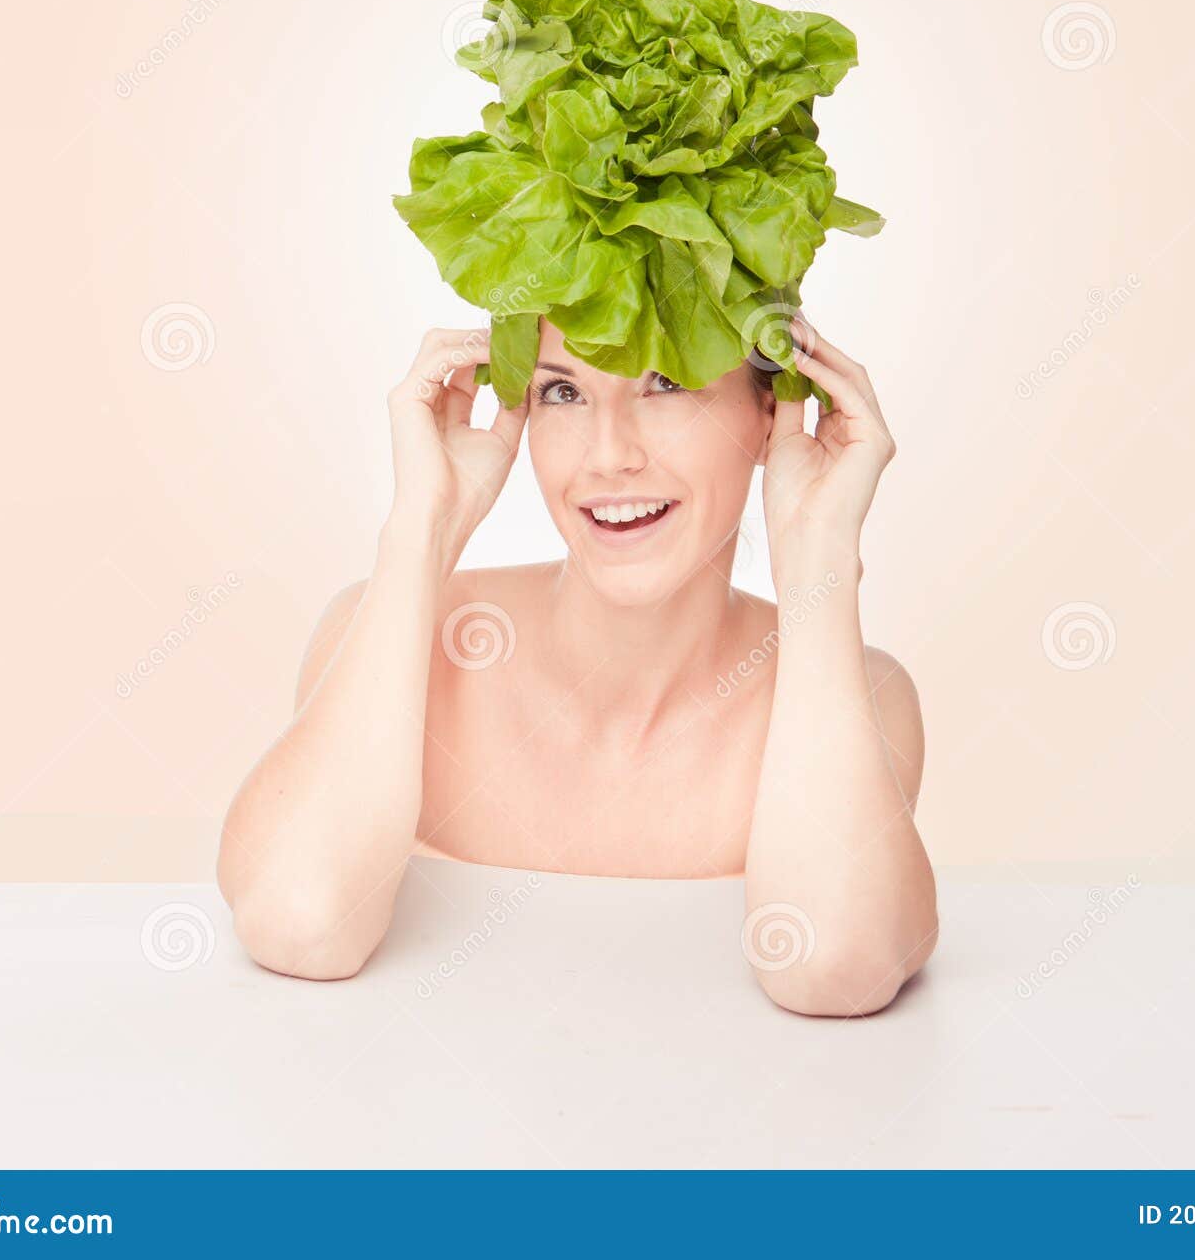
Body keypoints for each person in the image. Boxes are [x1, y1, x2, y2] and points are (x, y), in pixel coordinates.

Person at [217, 314, 937, 1016]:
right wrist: (420, 533)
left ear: (770, 409)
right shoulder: (387, 637)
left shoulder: (861, 695)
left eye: (667, 383)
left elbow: (835, 967)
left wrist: (820, 565)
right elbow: (298, 921)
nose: (608, 454)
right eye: (563, 392)